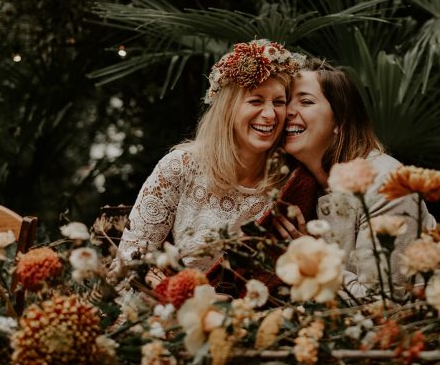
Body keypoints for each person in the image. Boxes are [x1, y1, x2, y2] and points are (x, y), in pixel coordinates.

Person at [113, 40, 302, 276]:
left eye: (279, 102)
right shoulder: (180, 166)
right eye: (256, 100)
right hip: (168, 304)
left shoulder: (290, 184)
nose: (269, 114)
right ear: (228, 108)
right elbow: (130, 259)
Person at [277, 57, 436, 297]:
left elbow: (384, 302)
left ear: (340, 120)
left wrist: (313, 257)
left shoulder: (388, 184)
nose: (287, 111)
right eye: (286, 102)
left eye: (306, 101)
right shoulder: (300, 183)